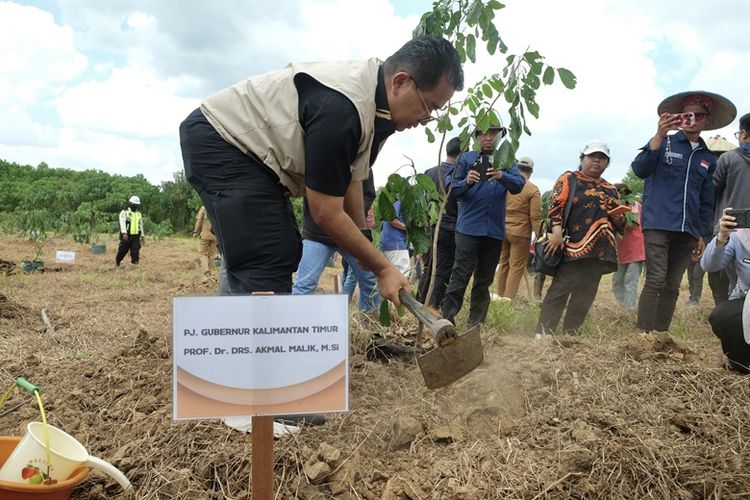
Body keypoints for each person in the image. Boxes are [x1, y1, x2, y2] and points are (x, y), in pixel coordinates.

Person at [179, 36, 464, 308]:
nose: (426, 120)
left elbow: (352, 177)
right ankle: (257, 351)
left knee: (261, 251)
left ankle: (239, 339)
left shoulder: (376, 108)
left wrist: (363, 240)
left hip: (249, 156)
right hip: (224, 142)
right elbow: (325, 212)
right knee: (269, 252)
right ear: (400, 82)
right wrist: (382, 267)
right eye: (429, 107)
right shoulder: (342, 109)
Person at [632, 90, 736, 333]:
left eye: (700, 115)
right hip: (658, 223)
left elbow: (706, 201)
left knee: (672, 285)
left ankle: (661, 334)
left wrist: (701, 234)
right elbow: (640, 169)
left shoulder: (708, 158)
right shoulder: (663, 142)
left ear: (707, 120)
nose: (694, 119)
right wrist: (659, 134)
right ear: (679, 116)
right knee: (656, 279)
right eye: (688, 114)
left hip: (688, 230)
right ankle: (642, 335)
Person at [536, 142, 625, 336]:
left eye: (601, 158)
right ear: (582, 159)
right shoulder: (570, 178)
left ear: (607, 163)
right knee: (560, 288)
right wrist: (557, 231)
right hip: (573, 245)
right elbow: (555, 205)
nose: (596, 160)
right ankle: (543, 333)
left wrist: (619, 219)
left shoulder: (610, 188)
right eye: (592, 156)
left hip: (600, 249)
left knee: (585, 293)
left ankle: (570, 333)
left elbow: (620, 223)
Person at [441, 123, 525, 326]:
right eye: (483, 134)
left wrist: (501, 175)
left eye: (493, 133)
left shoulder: (506, 160)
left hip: (494, 231)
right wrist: (466, 181)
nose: (488, 137)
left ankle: (475, 325)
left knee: (484, 280)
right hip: (469, 228)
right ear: (476, 137)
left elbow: (519, 184)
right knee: (460, 275)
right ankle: (446, 320)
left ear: (498, 137)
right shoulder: (466, 158)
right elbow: (449, 186)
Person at [292, 172, 380, 313]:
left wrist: (349, 213)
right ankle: (297, 325)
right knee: (304, 285)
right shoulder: (315, 155)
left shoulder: (361, 160)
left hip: (350, 233)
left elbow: (368, 194)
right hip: (317, 233)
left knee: (370, 281)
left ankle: (372, 326)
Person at [701, 209, 750, 374]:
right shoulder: (740, 236)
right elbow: (709, 265)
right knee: (723, 316)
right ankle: (741, 365)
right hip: (745, 300)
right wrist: (722, 236)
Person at [417, 136, 461, 308]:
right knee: (443, 270)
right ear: (462, 153)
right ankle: (433, 306)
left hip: (431, 227)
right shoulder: (458, 174)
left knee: (429, 267)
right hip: (449, 228)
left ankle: (420, 302)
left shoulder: (430, 172)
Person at [712, 113, 750, 303]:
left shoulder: (727, 159)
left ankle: (734, 321)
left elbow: (712, 191)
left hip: (733, 228)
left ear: (744, 134)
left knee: (736, 282)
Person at [495, 156, 541, 300]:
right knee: (516, 267)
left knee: (503, 263)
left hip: (502, 229)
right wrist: (539, 235)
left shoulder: (506, 184)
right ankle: (507, 300)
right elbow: (535, 217)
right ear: (531, 172)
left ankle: (498, 296)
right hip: (521, 234)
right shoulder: (532, 190)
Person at [611, 183, 645, 311]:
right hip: (622, 250)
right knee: (617, 281)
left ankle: (629, 310)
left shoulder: (634, 205)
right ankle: (625, 307)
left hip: (635, 249)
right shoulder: (615, 208)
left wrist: (618, 219)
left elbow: (632, 224)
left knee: (630, 282)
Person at [379, 199, 410, 276]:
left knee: (389, 276)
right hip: (396, 244)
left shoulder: (392, 204)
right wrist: (408, 228)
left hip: (387, 244)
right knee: (403, 275)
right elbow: (391, 219)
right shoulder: (399, 203)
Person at [115, 195, 144, 267]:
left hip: (136, 235)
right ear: (130, 204)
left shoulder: (138, 214)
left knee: (135, 251)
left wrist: (142, 235)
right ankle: (117, 262)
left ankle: (134, 264)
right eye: (134, 205)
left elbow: (141, 225)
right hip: (126, 235)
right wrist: (124, 233)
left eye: (137, 205)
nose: (135, 206)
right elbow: (122, 223)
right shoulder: (124, 212)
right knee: (123, 250)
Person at [193, 206, 218, 276]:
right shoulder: (217, 206)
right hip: (215, 236)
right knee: (212, 254)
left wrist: (195, 232)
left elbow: (199, 221)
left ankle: (206, 271)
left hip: (205, 235)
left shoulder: (204, 208)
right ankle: (211, 272)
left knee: (203, 253)